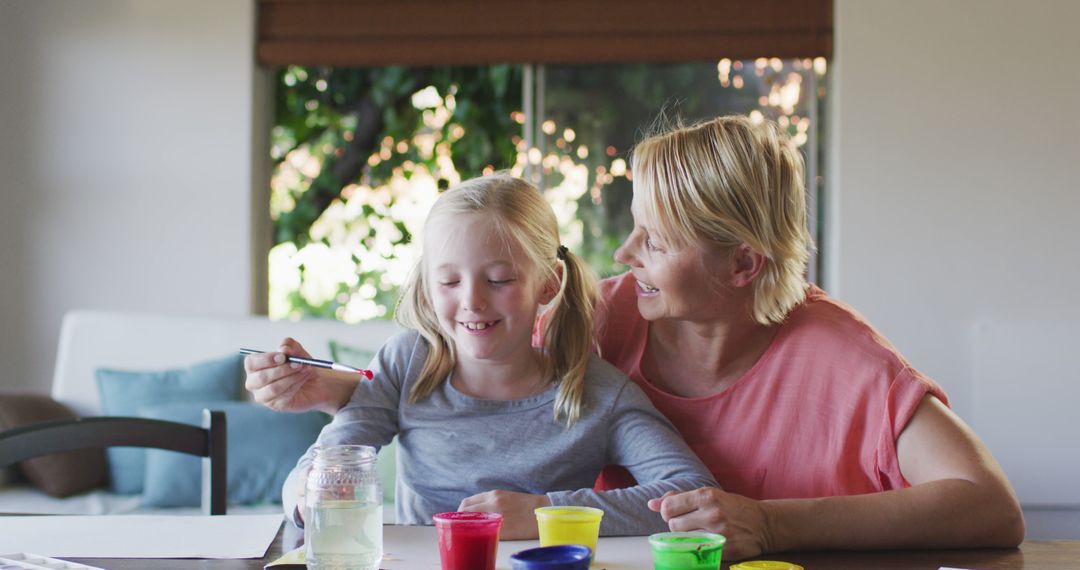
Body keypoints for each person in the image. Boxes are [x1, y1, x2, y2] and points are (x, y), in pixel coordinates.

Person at [249, 116, 1025, 559]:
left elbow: (990, 507)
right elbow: (473, 374)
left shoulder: (842, 359)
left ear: (742, 263)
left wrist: (769, 520)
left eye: (653, 241)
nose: (622, 259)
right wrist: (339, 395)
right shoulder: (613, 313)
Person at [245, 174, 717, 539]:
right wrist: (308, 493)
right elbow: (329, 457)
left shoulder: (597, 391)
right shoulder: (406, 362)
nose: (472, 302)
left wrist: (542, 514)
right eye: (449, 282)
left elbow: (691, 494)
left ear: (548, 283)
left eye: (499, 280)